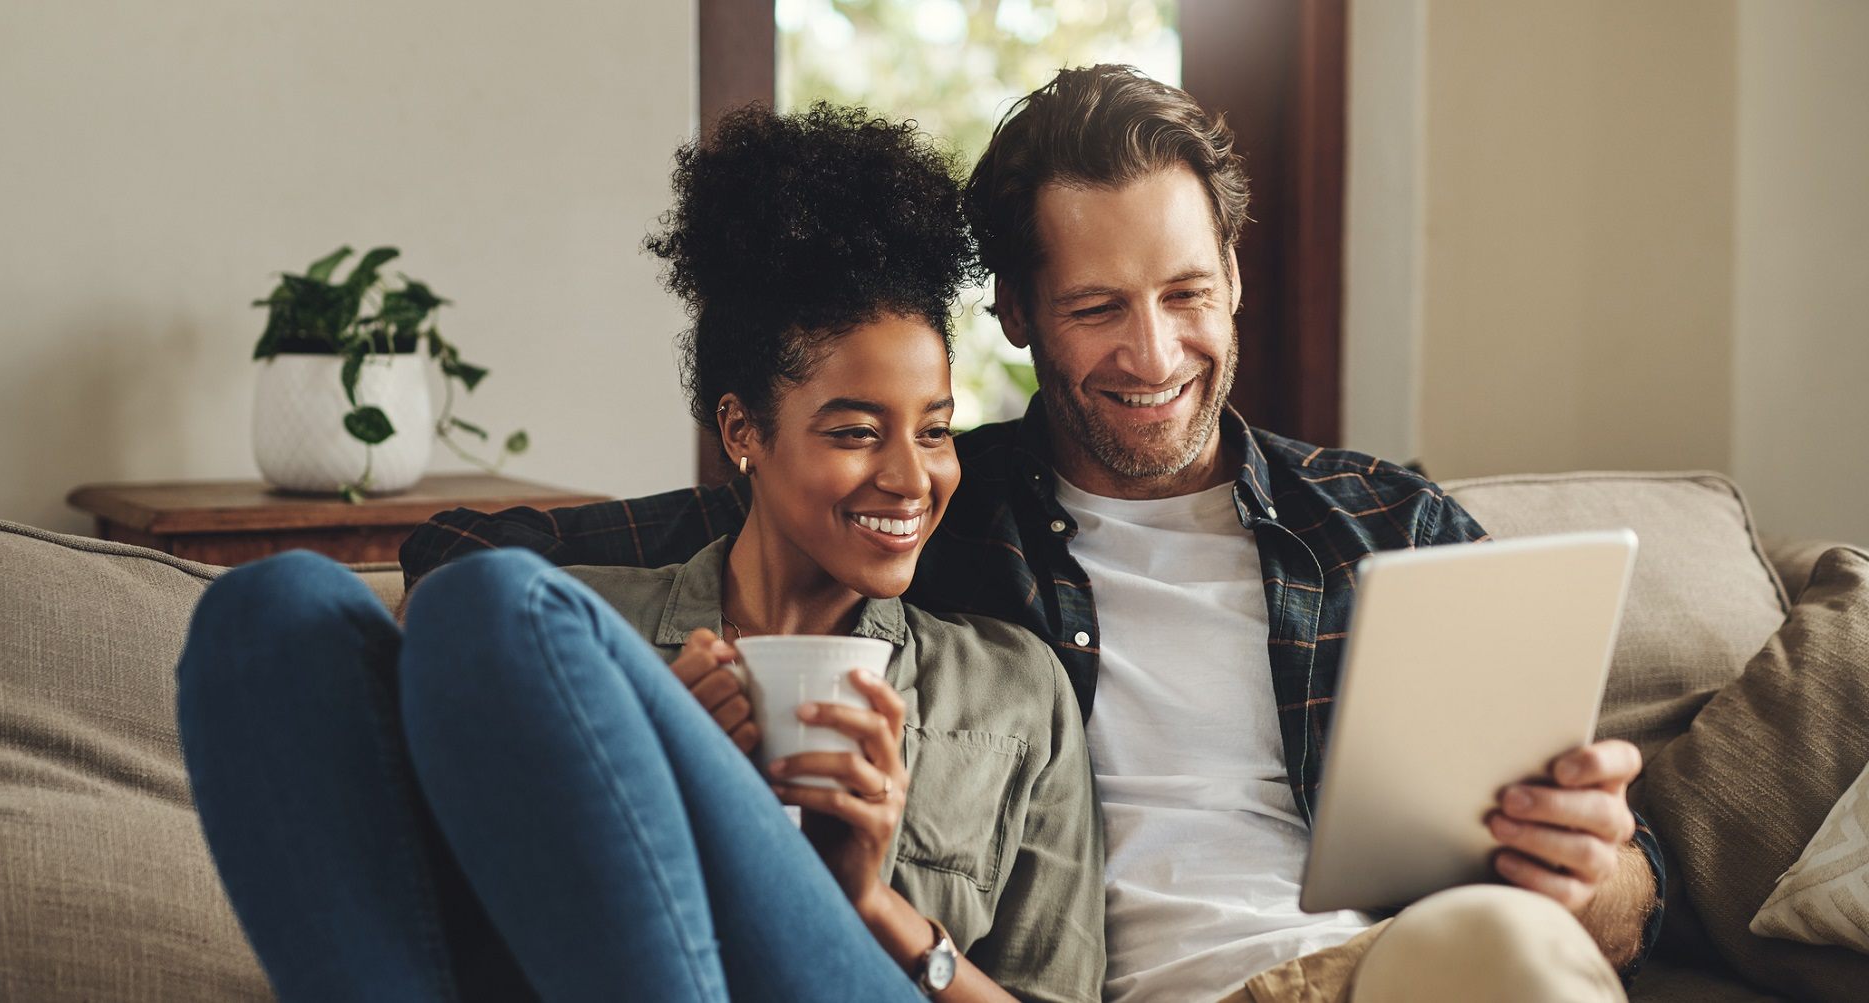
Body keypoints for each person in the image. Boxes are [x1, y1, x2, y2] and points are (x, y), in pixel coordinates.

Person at [401, 68, 1665, 1002]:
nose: (1155, 353)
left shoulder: (1390, 526)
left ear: (1236, 273)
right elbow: (477, 571)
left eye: (1186, 294)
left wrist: (1590, 866)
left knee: (1517, 948)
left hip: (1398, 971)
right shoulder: (932, 507)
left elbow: (1622, 908)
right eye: (1099, 307)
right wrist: (650, 692)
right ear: (1015, 312)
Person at [178, 103, 1104, 1003]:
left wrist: (872, 906)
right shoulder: (589, 640)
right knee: (266, 611)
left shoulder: (1014, 692)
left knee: (492, 600)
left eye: (936, 432)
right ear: (743, 429)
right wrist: (659, 758)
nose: (912, 479)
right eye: (858, 432)